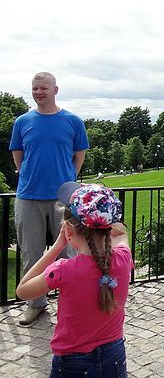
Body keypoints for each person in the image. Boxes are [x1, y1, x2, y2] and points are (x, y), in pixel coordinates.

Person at [16, 182, 132, 377]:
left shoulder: (63, 270)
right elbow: (121, 232)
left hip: (72, 363)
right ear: (109, 226)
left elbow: (23, 290)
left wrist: (56, 247)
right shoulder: (123, 258)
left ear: (68, 231)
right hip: (115, 355)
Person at [9, 72, 89, 327]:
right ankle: (35, 304)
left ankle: (72, 305)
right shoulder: (22, 121)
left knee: (70, 253)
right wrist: (29, 176)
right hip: (28, 196)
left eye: (44, 88)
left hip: (63, 198)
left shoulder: (73, 121)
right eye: (35, 88)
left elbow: (79, 155)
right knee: (31, 253)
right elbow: (18, 154)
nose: (39, 92)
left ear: (56, 89)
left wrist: (69, 179)